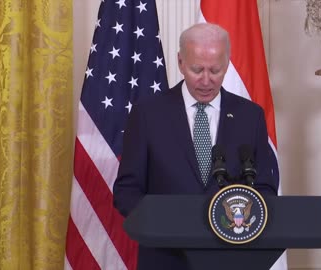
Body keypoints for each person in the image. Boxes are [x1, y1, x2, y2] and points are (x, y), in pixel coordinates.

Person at [113, 22, 278, 270]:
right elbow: (127, 190)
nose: (206, 80)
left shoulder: (250, 116)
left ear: (228, 64)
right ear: (181, 62)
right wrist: (162, 224)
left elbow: (265, 187)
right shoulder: (148, 114)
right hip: (165, 258)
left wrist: (237, 222)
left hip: (231, 256)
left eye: (215, 70)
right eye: (196, 69)